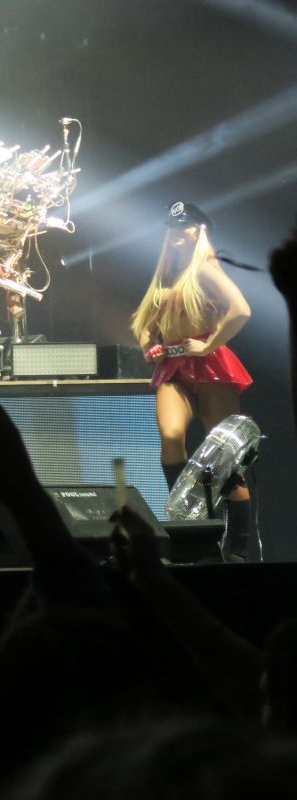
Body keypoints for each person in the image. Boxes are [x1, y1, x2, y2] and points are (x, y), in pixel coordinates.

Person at [131, 201, 253, 559]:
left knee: (224, 459)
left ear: (199, 229)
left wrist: (208, 345)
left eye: (183, 226)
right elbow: (146, 324)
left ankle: (238, 548)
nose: (175, 233)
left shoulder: (205, 268)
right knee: (171, 438)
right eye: (171, 227)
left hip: (211, 366)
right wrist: (149, 347)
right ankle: (186, 529)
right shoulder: (167, 274)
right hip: (173, 367)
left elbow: (241, 310)